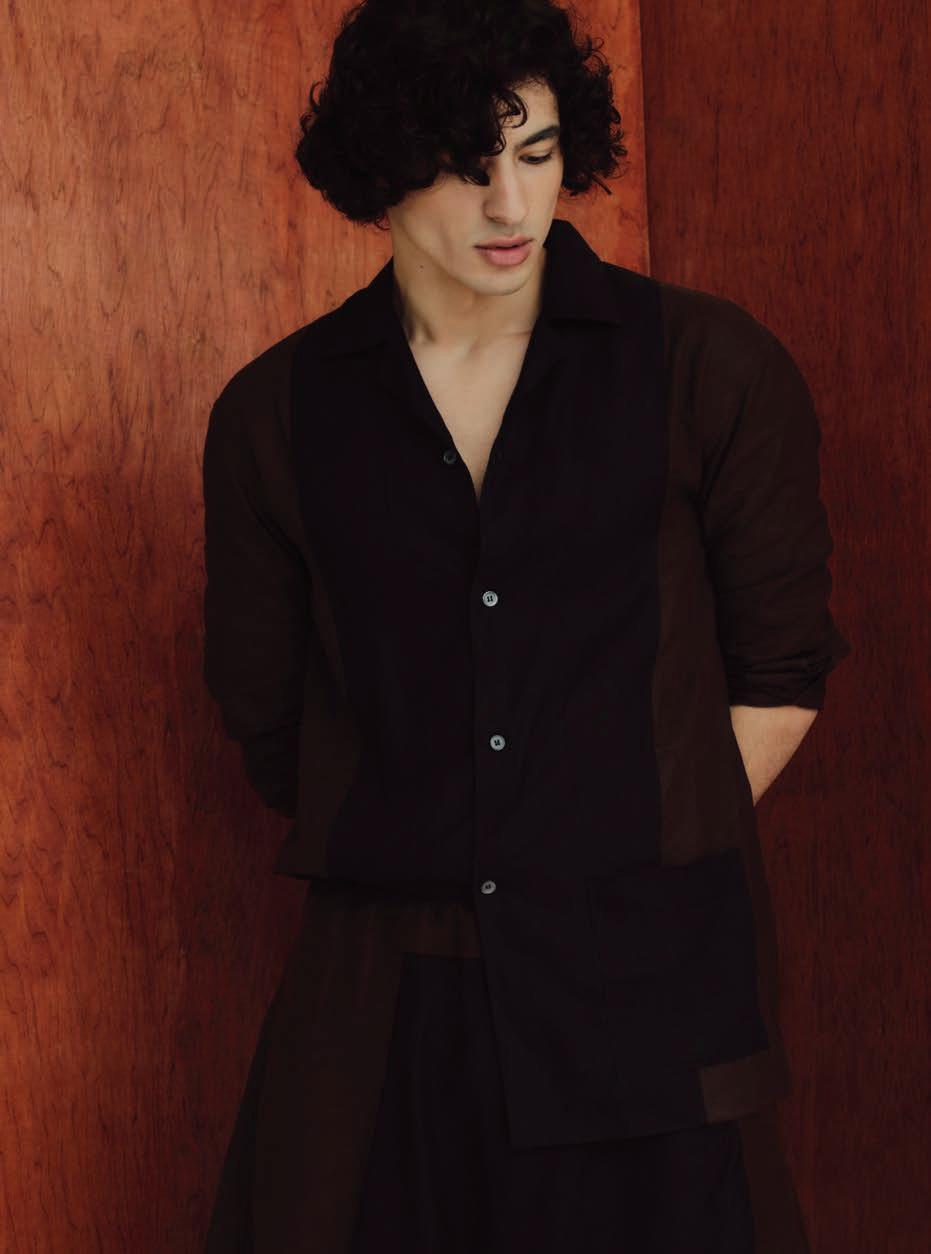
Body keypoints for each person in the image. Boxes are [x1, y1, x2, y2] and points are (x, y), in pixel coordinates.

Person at [200, 1, 852, 1250]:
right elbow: (270, 713)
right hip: (386, 993)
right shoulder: (276, 413)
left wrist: (617, 840)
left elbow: (780, 670)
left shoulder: (706, 365)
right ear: (380, 169)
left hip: (647, 974)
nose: (510, 203)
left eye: (538, 153)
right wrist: (435, 831)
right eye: (465, 163)